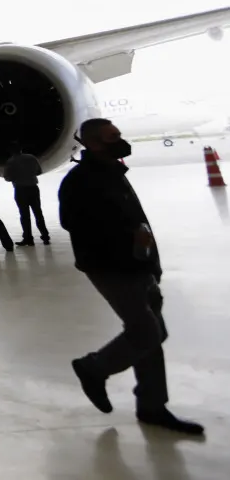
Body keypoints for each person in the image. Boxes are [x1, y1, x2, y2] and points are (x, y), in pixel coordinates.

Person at [60, 118, 203, 436]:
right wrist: (128, 241)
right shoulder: (81, 180)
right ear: (95, 143)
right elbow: (75, 224)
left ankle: (152, 406)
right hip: (112, 269)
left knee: (154, 336)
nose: (121, 140)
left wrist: (152, 262)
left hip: (139, 267)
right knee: (146, 334)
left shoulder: (113, 172)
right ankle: (93, 367)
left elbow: (139, 222)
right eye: (114, 136)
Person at [4, 142, 49, 245]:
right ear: (21, 149)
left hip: (20, 190)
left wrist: (17, 177)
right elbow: (39, 171)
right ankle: (45, 236)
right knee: (38, 213)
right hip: (33, 188)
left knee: (24, 215)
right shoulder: (31, 158)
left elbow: (7, 178)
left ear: (11, 151)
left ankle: (28, 238)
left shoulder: (11, 162)